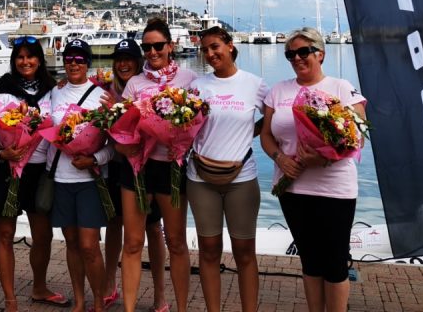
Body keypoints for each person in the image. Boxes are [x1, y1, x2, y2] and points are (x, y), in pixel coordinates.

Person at [260, 27, 367, 312]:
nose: (297, 58)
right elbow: (266, 135)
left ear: (321, 53)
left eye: (303, 52)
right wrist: (279, 158)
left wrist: (324, 158)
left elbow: (358, 134)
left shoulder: (341, 87)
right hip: (292, 186)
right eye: (290, 54)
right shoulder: (278, 90)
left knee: (334, 263)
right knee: (310, 260)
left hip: (335, 188)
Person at [0, 35, 68, 312]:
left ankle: (39, 287)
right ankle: (10, 299)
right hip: (4, 169)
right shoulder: (2, 89)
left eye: (31, 56)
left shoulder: (52, 89)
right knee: (5, 234)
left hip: (39, 170)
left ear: (40, 60)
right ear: (14, 60)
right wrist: (0, 152)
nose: (25, 62)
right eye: (20, 57)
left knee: (42, 235)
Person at [119, 18, 198, 312]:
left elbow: (199, 120)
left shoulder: (189, 80)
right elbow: (123, 127)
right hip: (138, 167)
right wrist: (126, 143)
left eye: (158, 46)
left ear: (170, 46)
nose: (152, 52)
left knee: (176, 243)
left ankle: (180, 308)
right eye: (147, 47)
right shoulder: (135, 83)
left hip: (172, 167)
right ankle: (128, 308)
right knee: (133, 243)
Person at [188, 27, 268, 312]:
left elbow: (271, 121)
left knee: (245, 252)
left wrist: (250, 133)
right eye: (205, 50)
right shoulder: (198, 85)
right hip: (200, 178)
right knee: (209, 251)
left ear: (230, 46)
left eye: (215, 47)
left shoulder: (254, 84)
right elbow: (185, 126)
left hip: (242, 179)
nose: (210, 54)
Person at [103, 38, 167, 312]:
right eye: (119, 59)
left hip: (144, 164)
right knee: (115, 224)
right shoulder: (102, 90)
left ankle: (159, 295)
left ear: (138, 61)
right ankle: (109, 286)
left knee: (152, 228)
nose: (123, 64)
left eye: (129, 58)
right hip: (114, 165)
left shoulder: (141, 87)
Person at [49, 38, 113, 312]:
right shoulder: (55, 92)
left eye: (79, 59)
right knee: (72, 243)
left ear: (88, 63)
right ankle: (78, 299)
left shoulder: (102, 96)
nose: (73, 64)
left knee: (89, 245)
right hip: (61, 179)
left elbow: (114, 145)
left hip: (89, 180)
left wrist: (94, 158)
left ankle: (99, 300)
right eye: (69, 59)